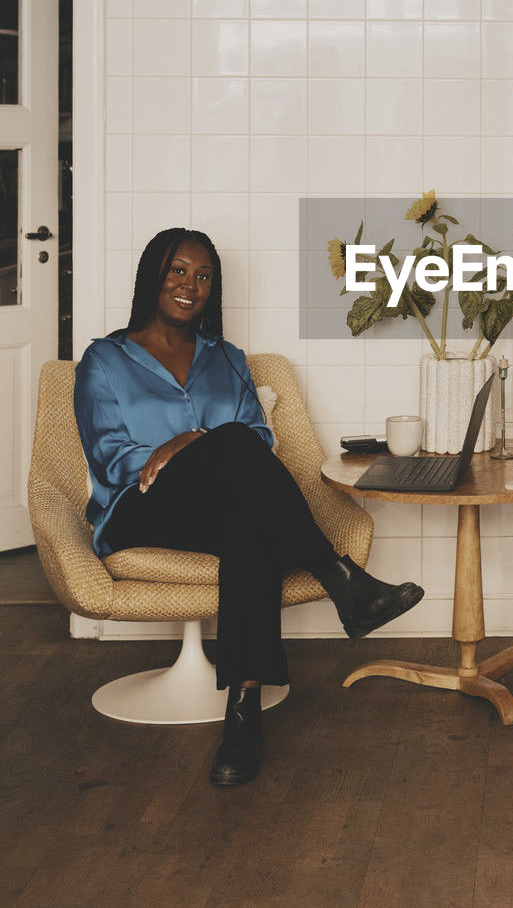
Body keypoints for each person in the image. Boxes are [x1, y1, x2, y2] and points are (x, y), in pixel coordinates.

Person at [74, 227, 424, 788]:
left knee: (249, 523)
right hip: (140, 507)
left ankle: (243, 714)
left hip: (221, 506)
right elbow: (112, 458)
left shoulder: (227, 358)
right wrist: (184, 444)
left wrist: (195, 442)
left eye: (204, 276)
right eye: (178, 271)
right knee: (233, 443)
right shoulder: (104, 360)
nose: (191, 286)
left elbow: (259, 442)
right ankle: (343, 581)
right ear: (153, 277)